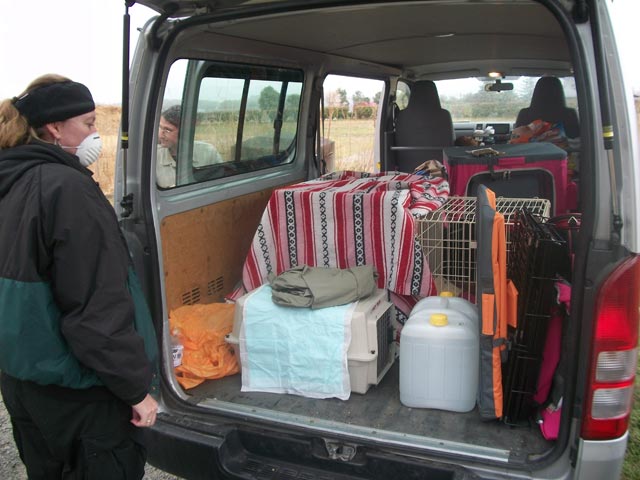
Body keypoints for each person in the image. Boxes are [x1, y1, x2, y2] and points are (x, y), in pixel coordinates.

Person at [0, 74, 159, 479]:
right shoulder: (66, 190)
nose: (96, 133)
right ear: (55, 127)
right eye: (88, 123)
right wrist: (134, 391)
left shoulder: (11, 178)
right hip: (80, 391)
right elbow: (94, 309)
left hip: (22, 383)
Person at [157, 104, 224, 188]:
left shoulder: (208, 152)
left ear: (185, 131)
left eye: (168, 130)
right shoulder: (153, 157)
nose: (161, 134)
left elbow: (222, 184)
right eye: (160, 127)